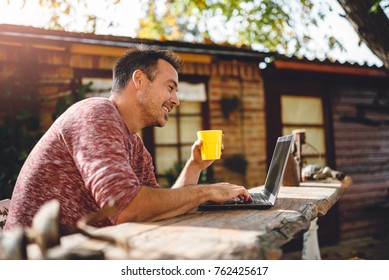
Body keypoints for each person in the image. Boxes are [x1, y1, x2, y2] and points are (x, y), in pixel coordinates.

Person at [4, 44, 251, 230]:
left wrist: (194, 168)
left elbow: (156, 210)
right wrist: (206, 192)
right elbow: (126, 208)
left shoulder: (134, 144)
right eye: (170, 87)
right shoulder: (95, 114)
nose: (176, 100)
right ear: (140, 80)